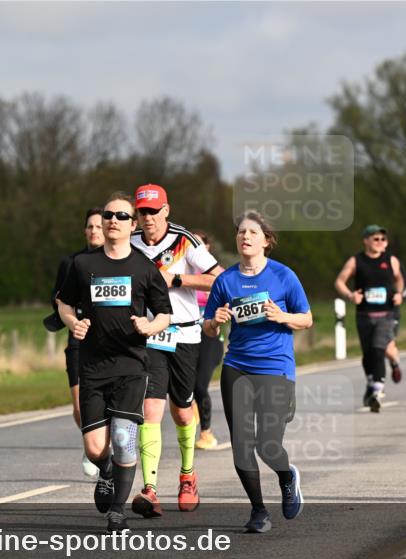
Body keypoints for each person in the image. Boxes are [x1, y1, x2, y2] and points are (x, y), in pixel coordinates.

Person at [57, 192, 173, 531]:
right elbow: (63, 303)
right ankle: (106, 471)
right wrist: (72, 322)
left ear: (132, 225)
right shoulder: (83, 265)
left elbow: (165, 313)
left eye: (121, 217)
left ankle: (117, 510)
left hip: (131, 364)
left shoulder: (143, 267)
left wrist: (150, 325)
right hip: (92, 366)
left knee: (124, 438)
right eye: (108, 215)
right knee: (96, 448)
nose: (112, 221)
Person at [203, 211, 311, 533]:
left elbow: (306, 318)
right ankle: (258, 510)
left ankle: (287, 476)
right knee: (241, 444)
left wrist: (282, 317)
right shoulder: (226, 281)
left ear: (266, 240)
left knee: (267, 444)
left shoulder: (283, 276)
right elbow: (208, 328)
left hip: (275, 366)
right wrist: (215, 321)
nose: (245, 237)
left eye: (252, 232)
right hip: (237, 366)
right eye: (240, 232)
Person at [130, 183, 222, 517]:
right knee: (150, 408)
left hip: (184, 335)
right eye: (143, 212)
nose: (148, 218)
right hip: (149, 336)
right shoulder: (131, 241)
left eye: (154, 211)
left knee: (183, 410)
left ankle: (187, 474)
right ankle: (150, 489)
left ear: (166, 211)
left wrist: (177, 280)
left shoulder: (185, 241)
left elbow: (219, 280)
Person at [48, 209, 104, 477]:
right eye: (90, 226)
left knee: (108, 401)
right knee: (81, 406)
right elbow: (57, 299)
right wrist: (71, 316)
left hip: (108, 339)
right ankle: (90, 444)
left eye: (98, 226)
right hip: (78, 338)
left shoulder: (118, 262)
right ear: (85, 231)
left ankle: (103, 446)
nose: (94, 230)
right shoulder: (71, 263)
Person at [334, 225, 404, 412]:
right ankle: (371, 384)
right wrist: (350, 295)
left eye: (383, 239)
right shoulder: (356, 261)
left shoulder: (391, 260)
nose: (380, 242)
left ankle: (377, 390)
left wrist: (399, 293)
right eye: (376, 239)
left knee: (378, 349)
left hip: (386, 315)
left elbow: (399, 279)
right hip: (364, 315)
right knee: (368, 354)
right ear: (366, 240)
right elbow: (339, 281)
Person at [190, 230, 227, 451]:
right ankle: (190, 406)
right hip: (185, 335)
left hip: (209, 336)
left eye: (199, 244)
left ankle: (206, 433)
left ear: (208, 248)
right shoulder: (181, 270)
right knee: (181, 386)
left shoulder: (218, 274)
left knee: (200, 385)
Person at [383, 244, 406, 382]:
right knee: (374, 349)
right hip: (369, 313)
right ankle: (377, 382)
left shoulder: (392, 262)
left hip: (391, 310)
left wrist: (400, 295)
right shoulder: (363, 262)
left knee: (387, 346)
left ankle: (394, 363)